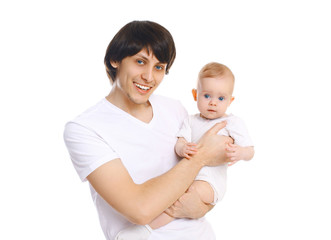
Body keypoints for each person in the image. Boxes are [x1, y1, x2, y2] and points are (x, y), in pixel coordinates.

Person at [63, 21, 233, 240]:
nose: (149, 77)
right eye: (140, 62)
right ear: (115, 60)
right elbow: (140, 209)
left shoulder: (175, 109)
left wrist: (202, 207)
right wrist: (201, 156)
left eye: (159, 67)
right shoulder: (85, 129)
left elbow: (207, 184)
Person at [116, 62, 255, 239]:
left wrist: (240, 153)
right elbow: (180, 141)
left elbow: (250, 151)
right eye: (206, 96)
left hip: (210, 183)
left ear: (230, 101)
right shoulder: (190, 120)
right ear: (195, 95)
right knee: (173, 194)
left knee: (180, 197)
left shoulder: (232, 123)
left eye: (221, 98)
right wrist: (183, 148)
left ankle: (145, 230)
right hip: (188, 175)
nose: (213, 103)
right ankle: (148, 228)